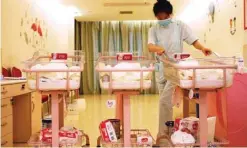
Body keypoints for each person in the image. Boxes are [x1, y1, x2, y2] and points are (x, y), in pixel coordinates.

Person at [147, 0, 212, 137]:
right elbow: (150, 46)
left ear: (170, 14)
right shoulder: (153, 29)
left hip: (175, 68)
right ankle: (170, 132)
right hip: (162, 68)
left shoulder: (179, 26)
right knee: (165, 103)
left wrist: (203, 48)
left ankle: (163, 134)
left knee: (165, 100)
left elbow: (193, 40)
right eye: (159, 17)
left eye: (165, 17)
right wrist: (159, 49)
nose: (162, 20)